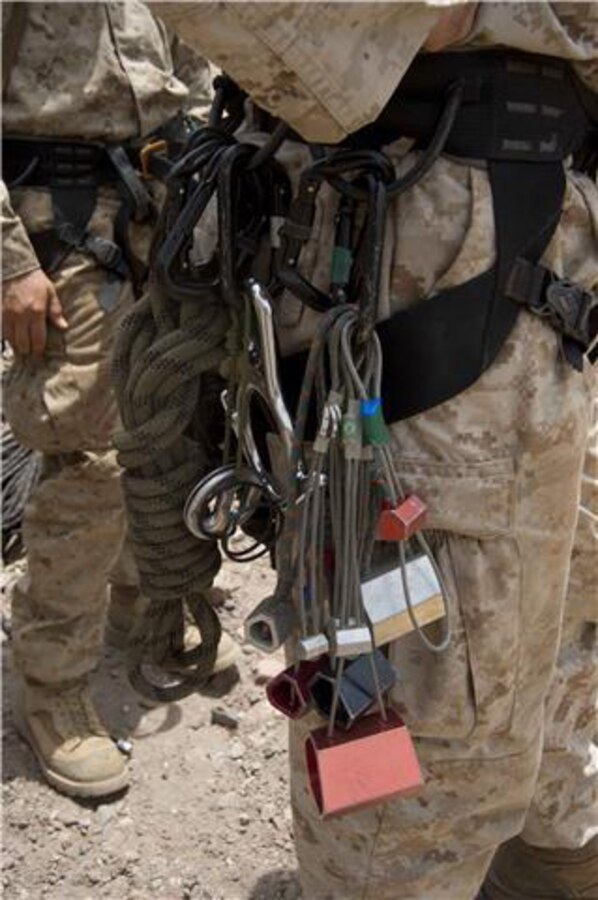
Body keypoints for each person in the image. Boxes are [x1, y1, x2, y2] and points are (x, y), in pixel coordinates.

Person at [152, 2, 598, 898]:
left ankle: (554, 854)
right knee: (421, 741)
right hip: (435, 245)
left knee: (566, 616)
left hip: (555, 239)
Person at [1, 0, 238, 800]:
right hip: (61, 219)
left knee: (165, 425)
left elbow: (199, 71)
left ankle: (141, 611)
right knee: (89, 456)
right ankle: (53, 682)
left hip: (165, 210)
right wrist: (7, 265)